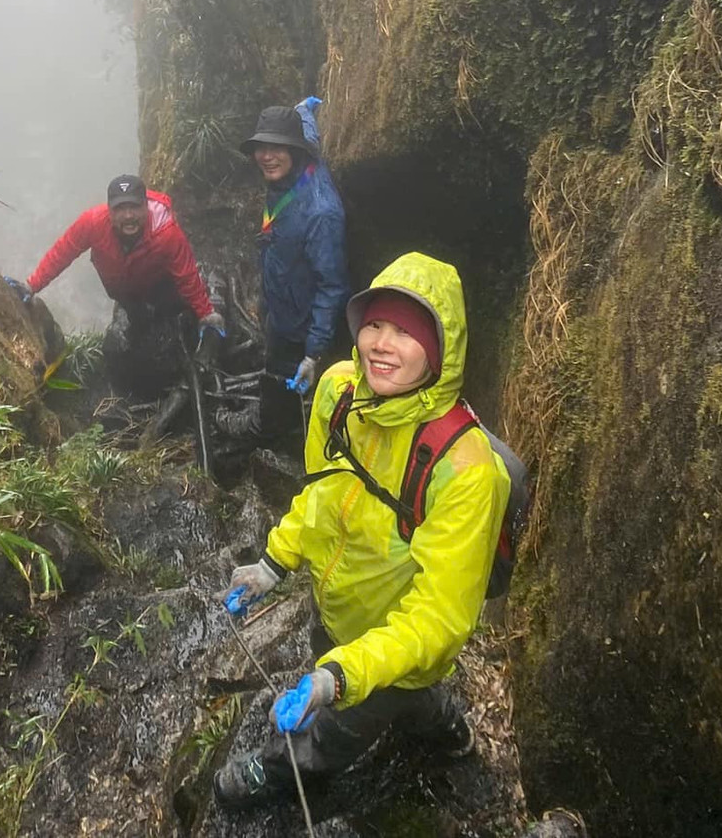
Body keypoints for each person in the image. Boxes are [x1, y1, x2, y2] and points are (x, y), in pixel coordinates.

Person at [214, 252, 510, 810]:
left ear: (441, 350)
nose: (381, 342)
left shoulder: (466, 469)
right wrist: (273, 564)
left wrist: (341, 677)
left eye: (406, 331)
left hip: (392, 643)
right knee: (410, 692)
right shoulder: (340, 392)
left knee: (335, 730)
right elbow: (324, 493)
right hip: (338, 610)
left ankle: (281, 770)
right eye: (374, 323)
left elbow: (439, 617)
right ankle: (446, 726)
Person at [8, 174, 224, 394]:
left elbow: (186, 275)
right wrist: (31, 285)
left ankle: (183, 363)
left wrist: (206, 314)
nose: (128, 216)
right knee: (139, 331)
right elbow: (63, 253)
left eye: (134, 207)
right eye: (120, 209)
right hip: (125, 293)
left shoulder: (166, 233)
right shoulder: (92, 223)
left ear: (146, 207)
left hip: (160, 285)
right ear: (109, 210)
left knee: (171, 318)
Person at [223, 101, 347, 448]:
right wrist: (304, 109)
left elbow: (332, 286)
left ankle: (266, 428)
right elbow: (308, 129)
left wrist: (314, 353)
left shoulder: (320, 213)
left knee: (283, 377)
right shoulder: (300, 164)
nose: (267, 156)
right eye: (261, 147)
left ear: (294, 150)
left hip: (299, 324)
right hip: (280, 298)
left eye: (276, 147)